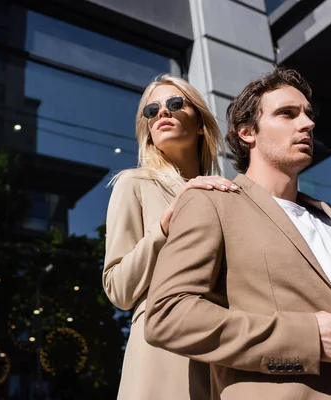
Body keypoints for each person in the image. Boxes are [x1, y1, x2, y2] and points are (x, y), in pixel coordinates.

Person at [144, 68, 331, 400]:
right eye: (287, 114)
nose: (308, 124)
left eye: (309, 116)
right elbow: (167, 315)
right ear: (247, 133)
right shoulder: (212, 203)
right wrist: (306, 337)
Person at [103, 74, 237, 399]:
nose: (162, 113)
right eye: (152, 110)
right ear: (147, 127)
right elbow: (118, 288)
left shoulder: (228, 194)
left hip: (225, 349)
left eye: (175, 104)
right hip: (161, 354)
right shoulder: (134, 183)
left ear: (201, 124)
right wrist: (163, 226)